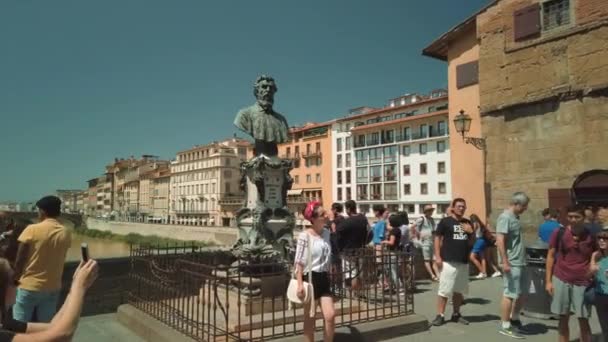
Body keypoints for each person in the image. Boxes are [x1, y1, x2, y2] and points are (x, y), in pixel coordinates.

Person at [0, 257, 99, 341]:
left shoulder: (4, 323)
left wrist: (74, 288)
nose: (18, 285)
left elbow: (54, 327)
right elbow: (62, 336)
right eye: (14, 281)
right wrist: (79, 287)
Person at [13, 196, 72, 322]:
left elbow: (20, 259)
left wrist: (14, 280)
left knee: (19, 326)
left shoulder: (32, 229)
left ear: (43, 212)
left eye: (38, 210)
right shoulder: (65, 232)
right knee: (45, 326)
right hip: (52, 286)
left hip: (29, 286)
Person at [545, 206, 596, 342]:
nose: (573, 220)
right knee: (563, 317)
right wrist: (548, 281)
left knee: (583, 318)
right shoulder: (559, 232)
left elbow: (597, 254)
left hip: (583, 281)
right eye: (570, 217)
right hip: (561, 278)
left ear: (583, 218)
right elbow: (550, 256)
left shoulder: (591, 235)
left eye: (577, 217)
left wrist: (593, 267)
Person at [295, 201, 335, 342]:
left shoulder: (326, 233)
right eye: (322, 214)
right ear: (313, 219)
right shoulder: (304, 236)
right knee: (310, 318)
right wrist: (300, 284)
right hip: (310, 279)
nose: (326, 215)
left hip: (323, 277)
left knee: (330, 315)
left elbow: (328, 254)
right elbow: (299, 262)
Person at [431, 198, 475, 326]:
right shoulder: (446, 222)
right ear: (453, 208)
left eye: (463, 207)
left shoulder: (467, 222)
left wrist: (470, 232)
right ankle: (440, 315)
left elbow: (472, 242)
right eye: (459, 206)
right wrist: (437, 256)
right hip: (448, 260)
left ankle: (456, 314)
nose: (461, 208)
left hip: (463, 260)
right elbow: (437, 238)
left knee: (458, 290)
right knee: (444, 290)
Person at [496, 192, 530, 339]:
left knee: (521, 293)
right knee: (509, 294)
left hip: (520, 261)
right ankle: (505, 325)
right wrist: (505, 261)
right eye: (524, 206)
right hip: (511, 262)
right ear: (516, 204)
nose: (525, 209)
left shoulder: (516, 217)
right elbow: (500, 240)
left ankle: (515, 320)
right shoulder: (505, 217)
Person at [336, 200, 368, 291]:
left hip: (348, 251)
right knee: (359, 272)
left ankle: (355, 293)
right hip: (361, 248)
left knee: (353, 273)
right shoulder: (363, 218)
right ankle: (360, 291)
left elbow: (337, 232)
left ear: (349, 209)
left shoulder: (347, 222)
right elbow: (369, 232)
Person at [589, 226, 608, 341]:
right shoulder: (596, 255)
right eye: (599, 238)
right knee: (605, 328)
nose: (601, 240)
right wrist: (591, 271)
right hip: (600, 295)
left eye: (605, 238)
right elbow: (587, 276)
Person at [469, 214, 501, 280]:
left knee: (472, 257)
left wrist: (469, 229)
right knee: (482, 257)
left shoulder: (475, 223)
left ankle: (482, 272)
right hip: (483, 241)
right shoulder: (481, 223)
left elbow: (473, 231)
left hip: (479, 241)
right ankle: (484, 272)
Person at [412, 205, 439, 282]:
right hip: (425, 242)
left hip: (431, 241)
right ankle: (432, 275)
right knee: (427, 260)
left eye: (431, 210)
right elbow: (412, 227)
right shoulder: (421, 219)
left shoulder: (432, 220)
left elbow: (434, 230)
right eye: (429, 210)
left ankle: (438, 275)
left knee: (434, 259)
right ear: (426, 212)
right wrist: (417, 236)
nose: (431, 212)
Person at [381, 214, 403, 293]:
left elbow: (391, 242)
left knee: (393, 271)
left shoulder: (394, 231)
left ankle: (399, 288)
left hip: (392, 252)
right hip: (396, 252)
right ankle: (393, 287)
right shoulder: (398, 230)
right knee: (392, 270)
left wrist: (384, 241)